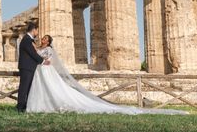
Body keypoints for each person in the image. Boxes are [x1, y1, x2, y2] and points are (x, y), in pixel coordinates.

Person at [26, 35, 188, 115]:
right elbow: (37, 54)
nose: (43, 39)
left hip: (46, 71)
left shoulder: (49, 49)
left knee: (56, 89)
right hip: (41, 72)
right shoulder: (41, 47)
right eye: (43, 38)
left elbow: (49, 59)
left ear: (49, 42)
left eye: (46, 38)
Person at [16, 22, 49, 112]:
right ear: (34, 30)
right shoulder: (26, 39)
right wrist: (43, 61)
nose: (38, 33)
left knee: (28, 87)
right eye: (37, 30)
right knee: (24, 87)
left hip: (29, 67)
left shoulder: (29, 40)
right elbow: (32, 53)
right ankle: (20, 107)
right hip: (26, 67)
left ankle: (26, 106)